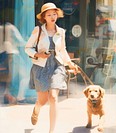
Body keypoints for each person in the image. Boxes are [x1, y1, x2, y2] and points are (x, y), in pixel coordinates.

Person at [25, 3, 78, 133]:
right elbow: (27, 48)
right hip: (41, 66)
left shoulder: (61, 32)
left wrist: (70, 64)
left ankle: (51, 131)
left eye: (54, 14)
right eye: (49, 14)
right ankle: (36, 109)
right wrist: (38, 54)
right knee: (42, 101)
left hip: (57, 65)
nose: (52, 16)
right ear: (44, 17)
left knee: (53, 97)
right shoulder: (38, 30)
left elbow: (63, 49)